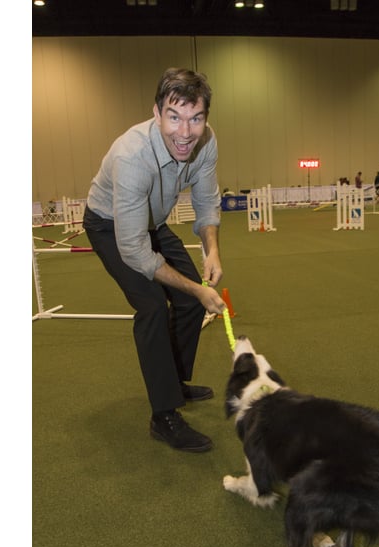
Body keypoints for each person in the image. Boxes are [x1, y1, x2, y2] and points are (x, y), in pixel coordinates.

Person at [82, 67, 227, 453]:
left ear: (205, 119)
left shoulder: (206, 142)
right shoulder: (132, 155)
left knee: (191, 304)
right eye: (174, 117)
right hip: (111, 226)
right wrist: (196, 286)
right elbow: (132, 248)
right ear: (157, 113)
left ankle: (174, 382)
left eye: (195, 118)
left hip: (151, 222)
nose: (185, 132)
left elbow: (205, 201)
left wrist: (211, 249)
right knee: (152, 306)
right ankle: (163, 416)